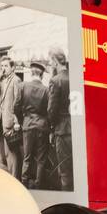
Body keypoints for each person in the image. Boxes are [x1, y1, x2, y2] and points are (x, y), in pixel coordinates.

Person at [17, 60, 50, 189]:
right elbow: (49, 110)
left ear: (32, 73)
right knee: (41, 158)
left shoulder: (23, 86)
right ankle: (38, 184)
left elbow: (16, 106)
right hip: (42, 126)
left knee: (27, 157)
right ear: (42, 75)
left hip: (28, 124)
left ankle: (24, 183)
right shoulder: (46, 90)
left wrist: (22, 121)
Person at [46, 49, 73, 191]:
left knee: (65, 172)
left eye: (51, 62)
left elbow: (51, 110)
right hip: (75, 129)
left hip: (62, 131)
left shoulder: (55, 81)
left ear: (55, 62)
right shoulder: (74, 77)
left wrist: (51, 128)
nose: (51, 65)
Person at [0, 57, 23, 179]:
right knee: (7, 152)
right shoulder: (4, 80)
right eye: (2, 66)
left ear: (12, 67)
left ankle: (15, 178)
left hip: (11, 121)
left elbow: (17, 103)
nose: (3, 68)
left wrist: (16, 121)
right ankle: (11, 175)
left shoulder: (16, 80)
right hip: (3, 118)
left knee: (13, 152)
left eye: (6, 66)